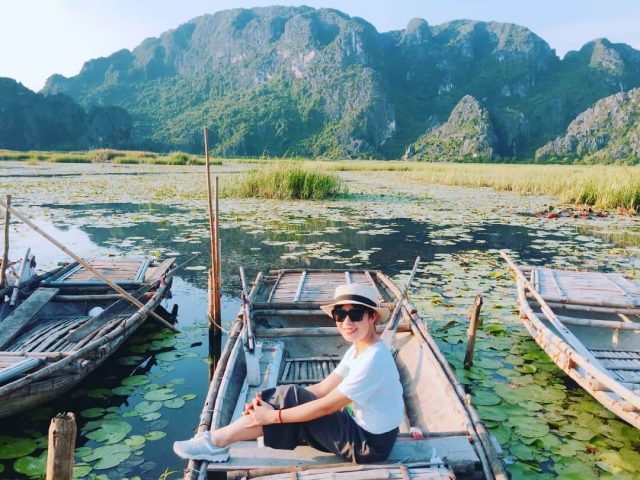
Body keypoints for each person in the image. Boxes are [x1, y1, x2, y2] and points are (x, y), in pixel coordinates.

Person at [173, 283, 404, 464]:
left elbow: (327, 406)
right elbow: (322, 388)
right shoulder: (359, 349)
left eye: (356, 314)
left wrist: (274, 415)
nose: (347, 322)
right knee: (288, 398)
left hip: (368, 446)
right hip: (357, 428)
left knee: (288, 405)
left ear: (372, 317)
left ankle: (215, 441)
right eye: (339, 315)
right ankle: (218, 440)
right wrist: (271, 401)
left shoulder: (374, 359)